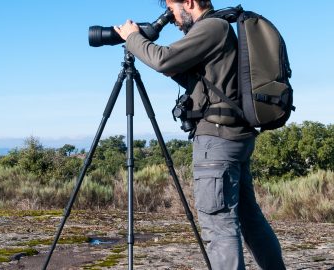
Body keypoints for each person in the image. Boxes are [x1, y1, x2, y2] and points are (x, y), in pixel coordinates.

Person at [114, 0, 286, 269]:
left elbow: (163, 59)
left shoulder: (211, 28)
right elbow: (194, 76)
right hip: (233, 137)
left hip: (217, 142)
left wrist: (132, 38)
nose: (170, 18)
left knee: (219, 227)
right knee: (250, 220)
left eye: (172, 9)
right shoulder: (218, 29)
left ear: (190, 3)